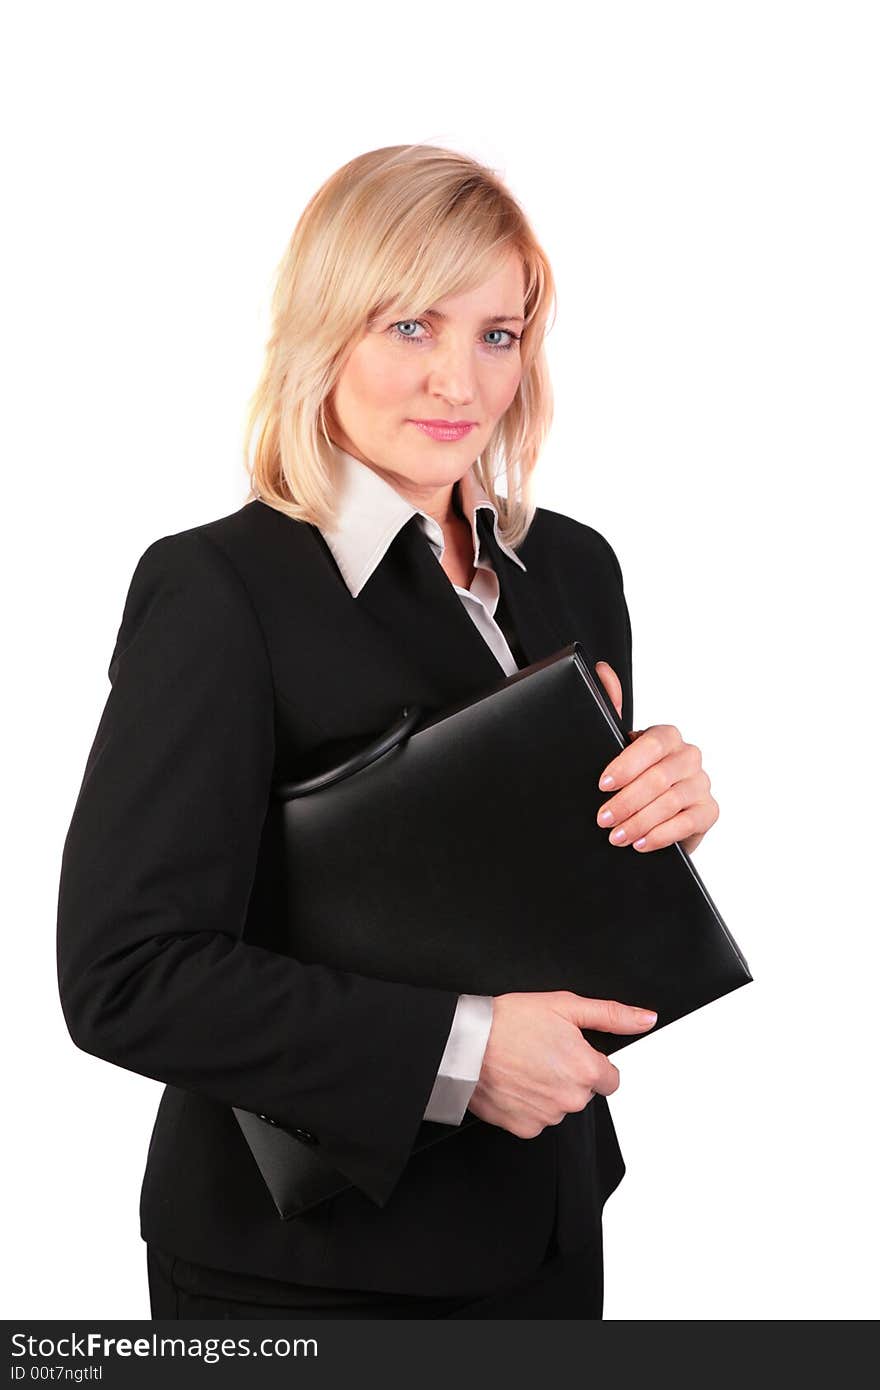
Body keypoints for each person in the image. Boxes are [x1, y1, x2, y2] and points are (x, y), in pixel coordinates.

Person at [56, 143, 719, 1320]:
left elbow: (512, 893)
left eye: (497, 334)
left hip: (551, 1221)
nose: (458, 383)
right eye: (411, 326)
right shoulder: (219, 589)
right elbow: (124, 974)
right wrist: (457, 1058)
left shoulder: (570, 566)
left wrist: (651, 824)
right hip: (303, 1274)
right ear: (327, 330)